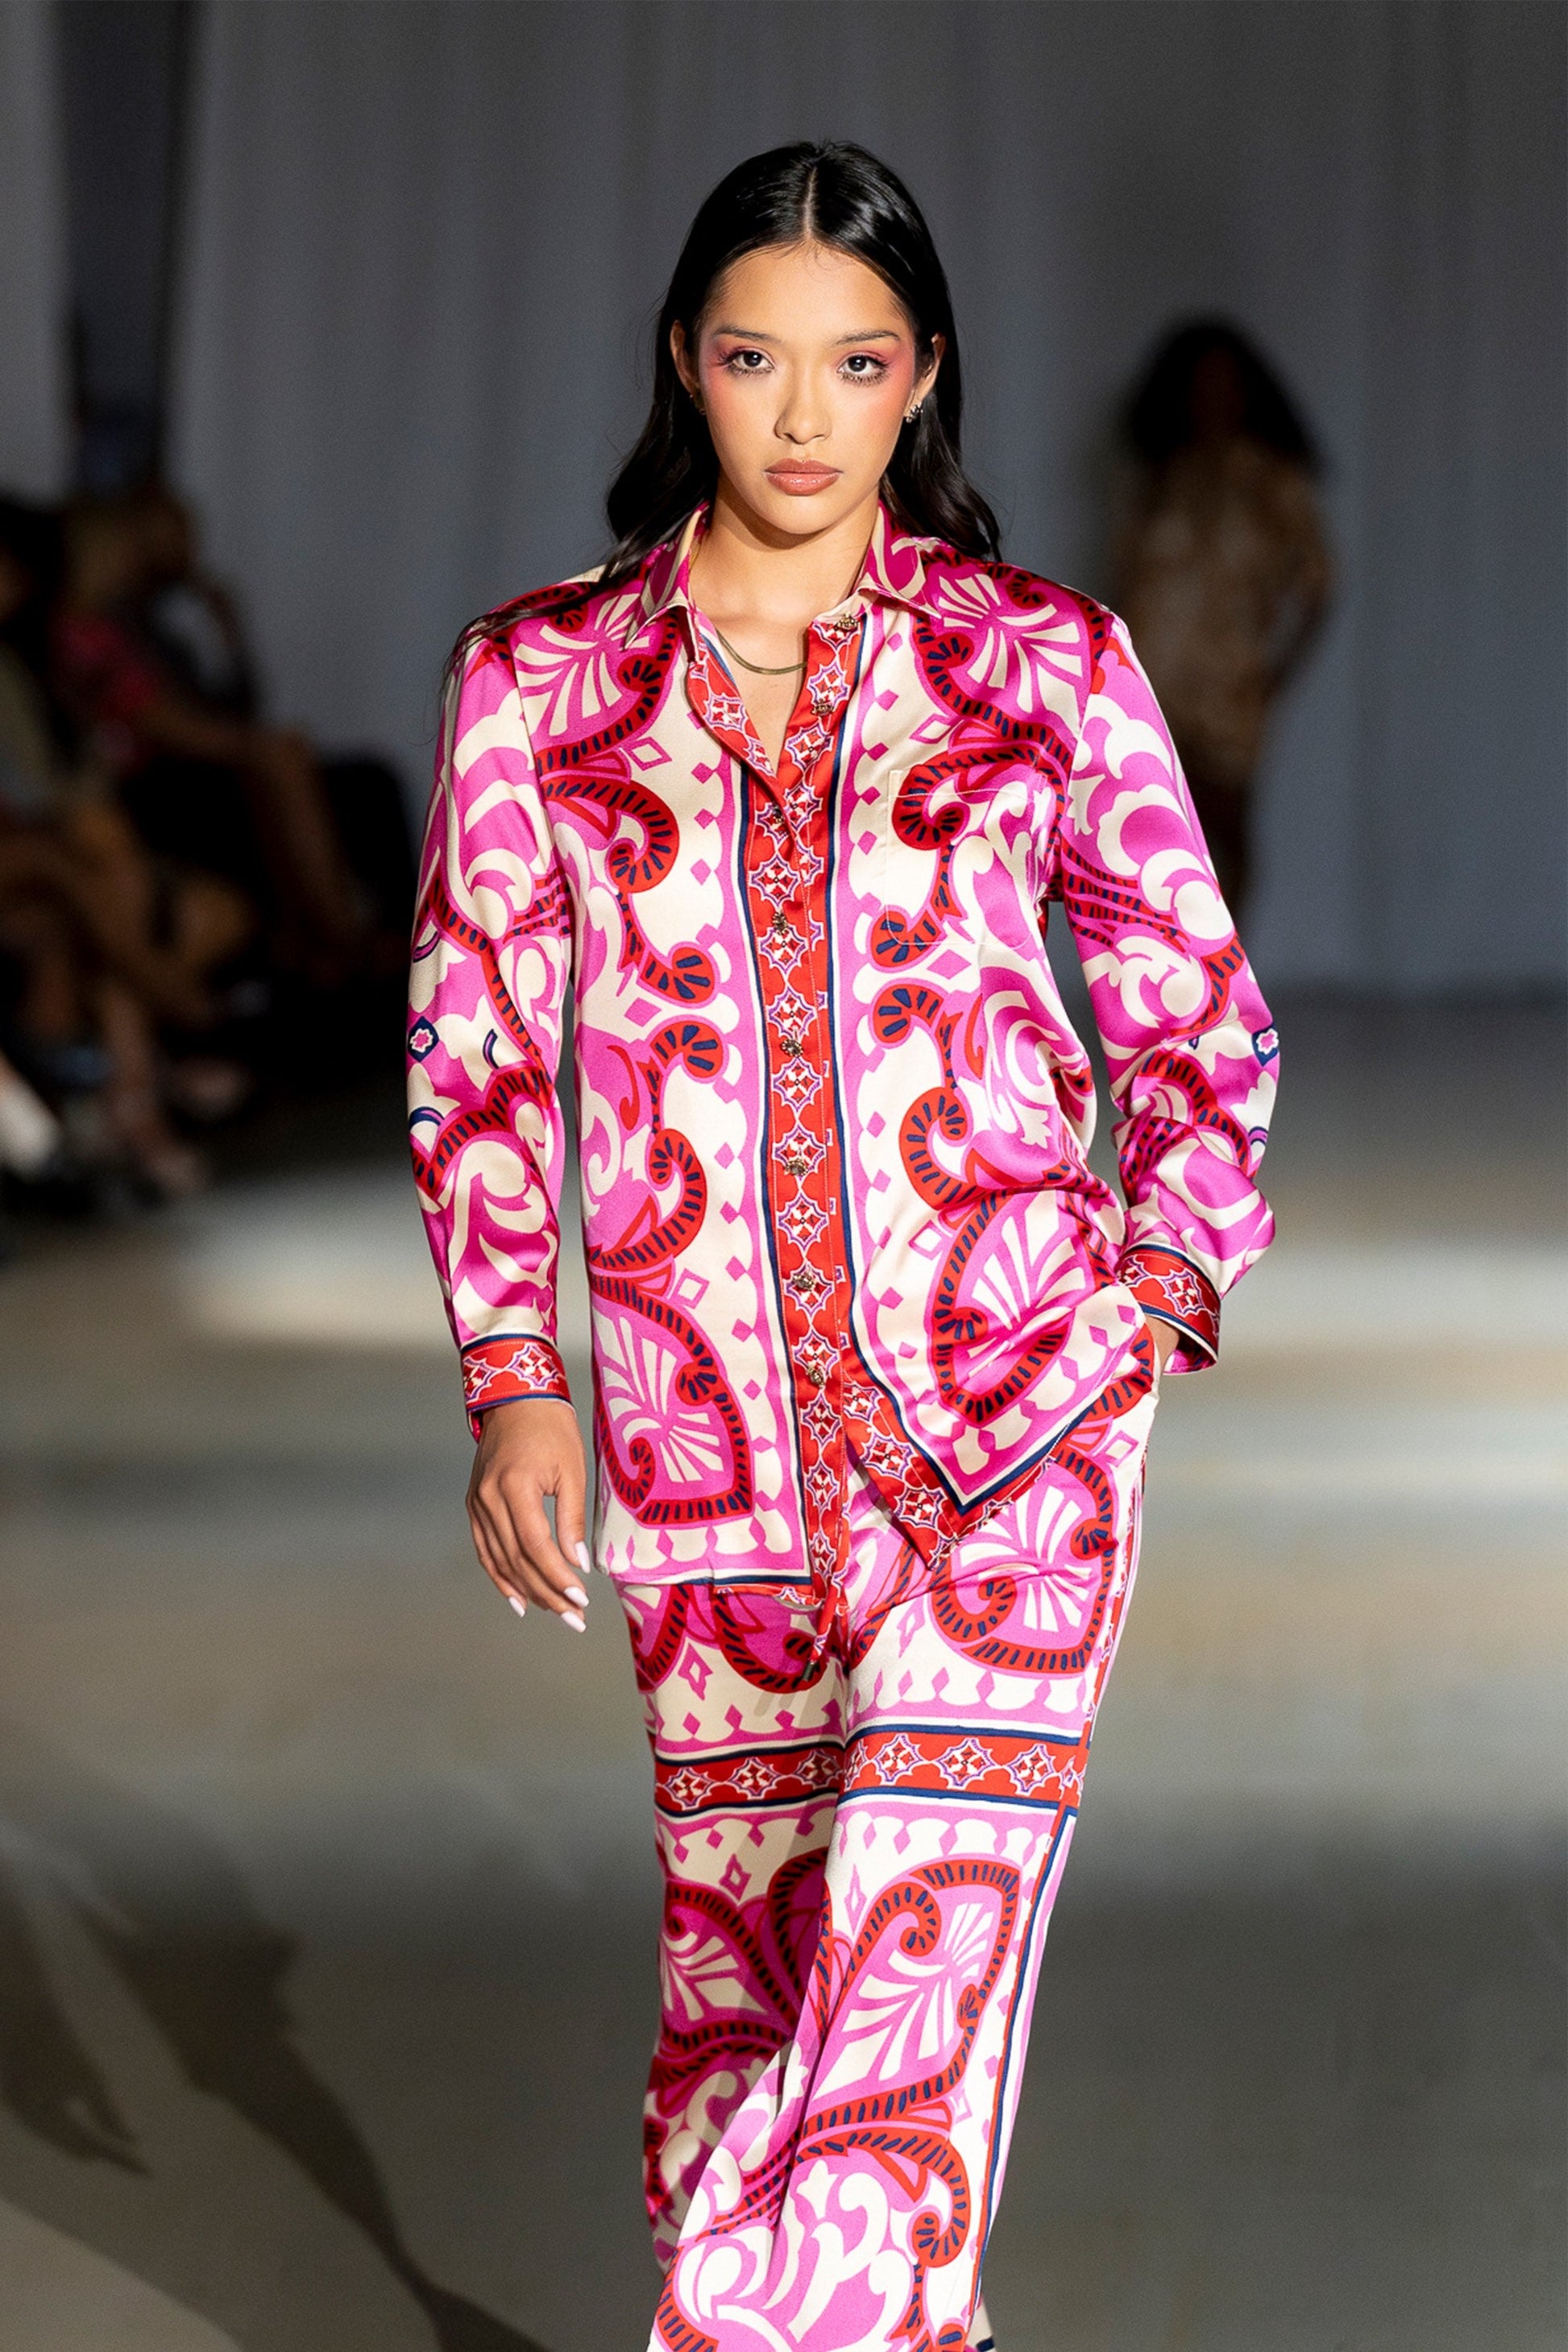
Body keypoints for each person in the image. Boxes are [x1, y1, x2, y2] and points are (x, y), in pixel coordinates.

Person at [410, 145, 1278, 2352]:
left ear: (926, 376)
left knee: (907, 1995)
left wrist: (1147, 1303)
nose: (804, 416)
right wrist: (515, 1378)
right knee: (751, 1998)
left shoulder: (1041, 664)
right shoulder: (541, 685)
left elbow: (1194, 1016)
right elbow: (475, 1049)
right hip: (707, 1470)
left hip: (1016, 1431)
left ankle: (736, 2328)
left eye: (857, 363)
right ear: (684, 366)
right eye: (754, 357)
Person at [1114, 318, 1333, 915]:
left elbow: (1318, 587)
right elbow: (1131, 576)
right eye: (1200, 384)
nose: (1212, 398)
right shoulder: (1163, 477)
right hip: (1154, 676)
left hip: (1230, 682)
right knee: (1147, 826)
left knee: (1226, 825)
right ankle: (1162, 957)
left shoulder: (1273, 482)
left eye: (1225, 384)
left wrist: (1277, 673)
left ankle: (1224, 952)